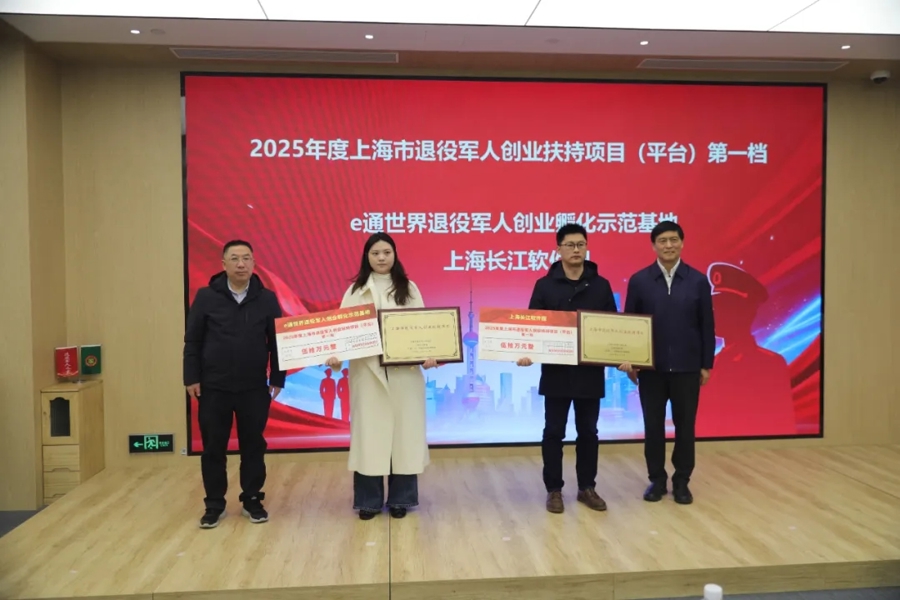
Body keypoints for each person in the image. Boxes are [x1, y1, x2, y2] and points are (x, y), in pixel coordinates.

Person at [325, 232, 437, 520]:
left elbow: (424, 328)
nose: (382, 258)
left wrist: (430, 354)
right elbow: (341, 331)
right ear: (367, 257)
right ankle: (369, 502)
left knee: (404, 437)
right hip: (368, 373)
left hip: (404, 374)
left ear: (395, 254)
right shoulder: (356, 290)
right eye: (375, 253)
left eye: (387, 252)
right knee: (370, 437)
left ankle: (401, 499)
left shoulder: (408, 288)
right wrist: (335, 355)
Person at [183, 240, 285, 528]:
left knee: (253, 445)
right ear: (223, 264)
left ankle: (252, 499)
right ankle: (214, 504)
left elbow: (277, 342)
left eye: (246, 258)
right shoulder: (206, 297)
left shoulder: (266, 299)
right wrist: (191, 377)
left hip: (254, 387)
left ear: (254, 263)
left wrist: (278, 377)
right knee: (213, 447)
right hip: (213, 387)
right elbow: (193, 340)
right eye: (235, 258)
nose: (241, 264)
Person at [516, 223, 617, 514]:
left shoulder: (601, 285)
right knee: (553, 432)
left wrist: (622, 356)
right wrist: (527, 353)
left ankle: (587, 487)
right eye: (570, 245)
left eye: (581, 244)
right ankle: (554, 490)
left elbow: (612, 326)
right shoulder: (544, 285)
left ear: (587, 248)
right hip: (556, 372)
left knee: (588, 432)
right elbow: (532, 326)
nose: (576, 250)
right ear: (558, 249)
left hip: (589, 372)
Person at [618, 221, 715, 505]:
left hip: (687, 367)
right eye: (662, 240)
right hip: (652, 370)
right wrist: (633, 363)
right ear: (653, 246)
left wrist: (706, 364)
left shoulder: (697, 280)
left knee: (685, 427)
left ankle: (682, 481)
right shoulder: (640, 280)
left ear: (682, 243)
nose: (669, 245)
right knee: (653, 426)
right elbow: (630, 325)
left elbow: (707, 325)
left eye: (674, 240)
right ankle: (657, 480)